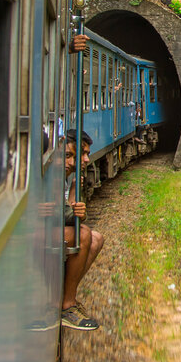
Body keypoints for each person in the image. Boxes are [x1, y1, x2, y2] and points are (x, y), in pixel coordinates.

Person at [62, 128, 104, 330]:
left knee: (96, 238)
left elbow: (71, 213)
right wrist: (78, 215)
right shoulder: (54, 175)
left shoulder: (68, 176)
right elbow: (70, 217)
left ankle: (66, 293)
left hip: (52, 228)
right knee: (84, 234)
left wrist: (73, 191)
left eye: (86, 154)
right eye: (70, 155)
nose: (85, 160)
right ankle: (67, 305)